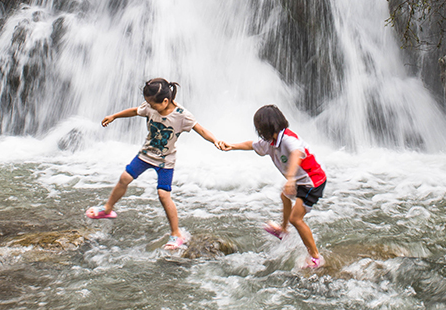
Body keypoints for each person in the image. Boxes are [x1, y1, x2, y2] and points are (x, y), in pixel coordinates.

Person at [86, 78, 223, 250]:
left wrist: (215, 141)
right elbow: (135, 111)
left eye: (152, 104)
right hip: (146, 155)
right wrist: (114, 116)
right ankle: (107, 209)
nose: (149, 107)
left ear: (165, 101)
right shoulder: (150, 106)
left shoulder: (182, 115)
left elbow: (201, 129)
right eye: (148, 103)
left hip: (165, 161)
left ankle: (176, 234)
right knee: (124, 178)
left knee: (163, 195)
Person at [219, 104, 327, 269]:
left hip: (312, 181)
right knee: (284, 197)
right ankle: (283, 231)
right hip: (300, 181)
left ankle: (315, 257)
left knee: (296, 219)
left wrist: (290, 179)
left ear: (264, 128)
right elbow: (251, 145)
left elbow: (297, 153)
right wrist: (232, 146)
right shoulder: (270, 142)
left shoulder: (288, 139)